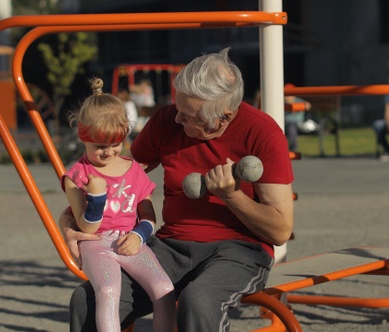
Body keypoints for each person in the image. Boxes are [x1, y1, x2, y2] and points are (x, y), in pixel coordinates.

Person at [60, 48, 294, 331]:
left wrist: (232, 196)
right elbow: (118, 181)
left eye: (188, 115)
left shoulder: (263, 133)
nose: (177, 119)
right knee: (86, 300)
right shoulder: (166, 120)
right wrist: (70, 220)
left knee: (199, 300)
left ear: (223, 116)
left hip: (239, 251)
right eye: (178, 107)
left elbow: (279, 231)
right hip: (171, 246)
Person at [61, 77, 175, 332]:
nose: (109, 152)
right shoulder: (76, 177)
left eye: (115, 144)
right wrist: (97, 198)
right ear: (83, 136)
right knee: (109, 290)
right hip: (96, 245)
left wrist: (139, 235)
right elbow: (87, 228)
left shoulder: (133, 169)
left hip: (129, 240)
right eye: (100, 146)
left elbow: (148, 214)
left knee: (164, 289)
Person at [284, 83, 313, 152]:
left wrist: (305, 106)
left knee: (292, 127)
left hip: (298, 123)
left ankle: (293, 147)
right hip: (285, 122)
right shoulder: (281, 102)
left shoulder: (298, 101)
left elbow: (308, 105)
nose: (287, 97)